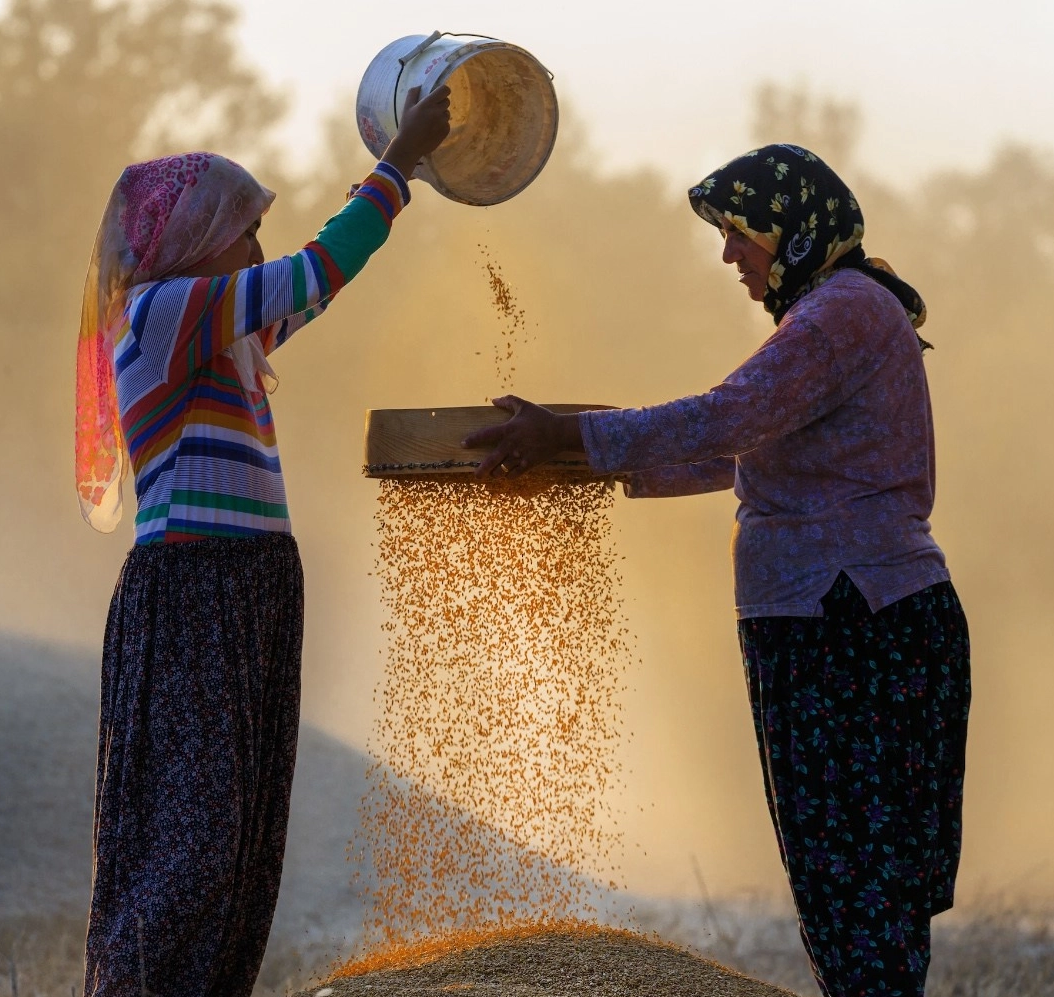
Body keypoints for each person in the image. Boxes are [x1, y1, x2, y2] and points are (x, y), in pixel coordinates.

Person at [465, 143, 970, 997]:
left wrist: (572, 437)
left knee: (857, 888)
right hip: (845, 618)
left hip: (851, 623)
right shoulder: (837, 314)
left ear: (793, 229)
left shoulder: (840, 313)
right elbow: (745, 449)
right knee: (851, 892)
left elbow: (727, 417)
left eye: (739, 232)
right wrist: (588, 460)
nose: (728, 253)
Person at [72, 85, 451, 997]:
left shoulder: (225, 334)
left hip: (251, 590)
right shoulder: (165, 313)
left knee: (243, 839)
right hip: (194, 589)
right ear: (195, 241)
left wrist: (404, 177)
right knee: (193, 843)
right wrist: (397, 166)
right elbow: (317, 269)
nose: (257, 249)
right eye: (244, 231)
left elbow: (313, 287)